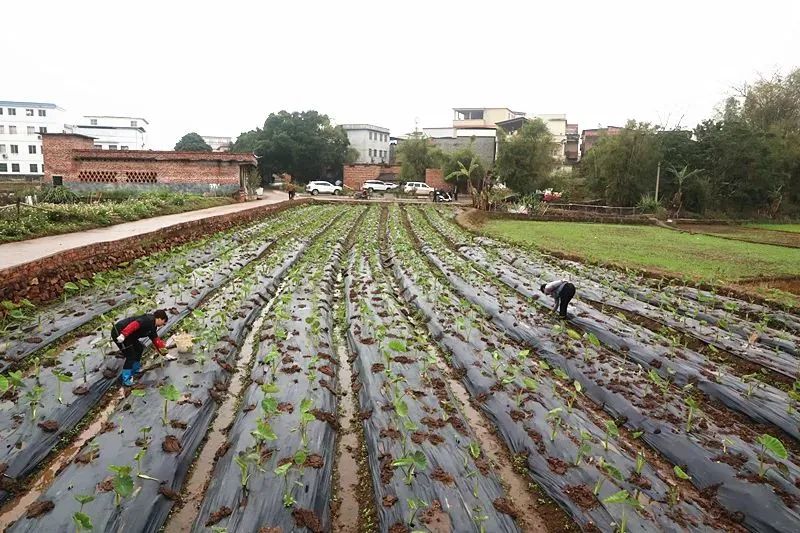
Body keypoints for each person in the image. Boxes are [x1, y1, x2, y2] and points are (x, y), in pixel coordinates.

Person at [111, 310, 169, 386]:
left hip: (130, 335)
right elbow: (134, 324)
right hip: (120, 332)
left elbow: (156, 340)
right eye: (163, 322)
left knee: (139, 348)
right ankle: (125, 379)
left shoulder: (153, 327)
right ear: (160, 318)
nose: (163, 325)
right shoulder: (147, 320)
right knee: (130, 355)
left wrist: (164, 353)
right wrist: (123, 335)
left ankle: (135, 369)